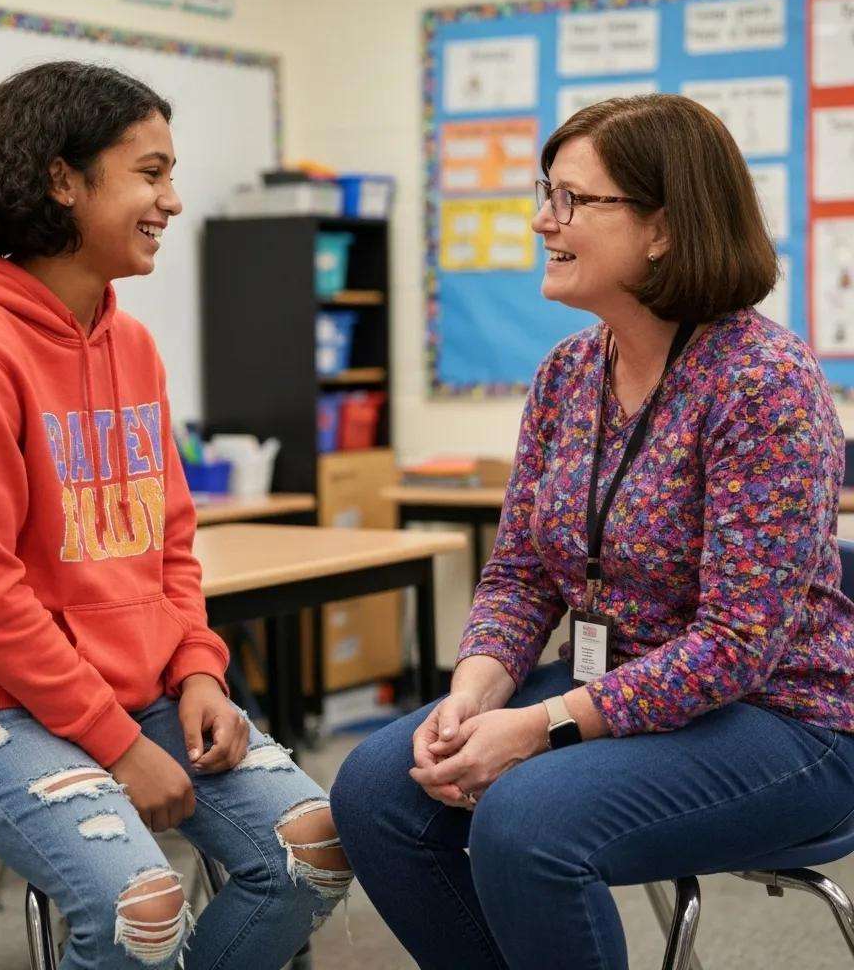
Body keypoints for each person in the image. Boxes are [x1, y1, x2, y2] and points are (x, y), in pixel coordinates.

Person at [330, 94, 854, 970]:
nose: (545, 219)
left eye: (573, 200)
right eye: (547, 194)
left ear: (663, 228)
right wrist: (474, 694)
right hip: (614, 698)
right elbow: (522, 575)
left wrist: (542, 728)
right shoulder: (569, 373)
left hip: (785, 722)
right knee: (376, 790)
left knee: (528, 823)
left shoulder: (764, 383)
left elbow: (736, 645)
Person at [0, 60, 350, 970]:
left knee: (311, 851)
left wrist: (200, 673)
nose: (172, 201)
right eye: (151, 171)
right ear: (63, 178)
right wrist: (115, 745)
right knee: (143, 905)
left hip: (143, 693)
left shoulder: (130, 342)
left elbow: (169, 543)